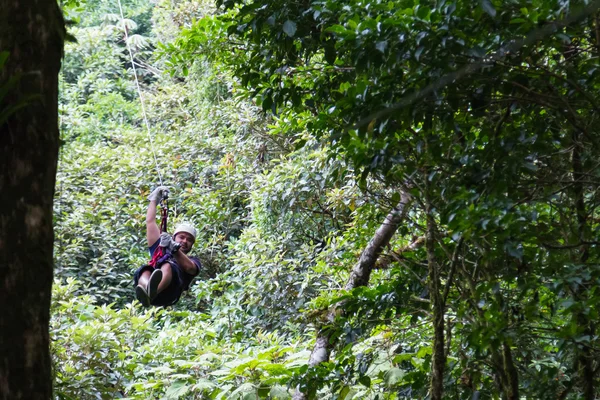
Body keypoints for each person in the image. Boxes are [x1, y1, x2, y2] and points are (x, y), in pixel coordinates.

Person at [134, 186, 201, 307]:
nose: (185, 241)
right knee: (145, 270)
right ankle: (146, 289)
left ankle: (152, 292)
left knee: (168, 265)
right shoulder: (160, 249)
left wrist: (173, 248)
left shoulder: (193, 261)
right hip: (151, 297)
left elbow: (190, 269)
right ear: (174, 237)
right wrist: (154, 199)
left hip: (170, 293)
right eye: (181, 237)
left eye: (189, 240)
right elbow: (150, 222)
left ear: (192, 244)